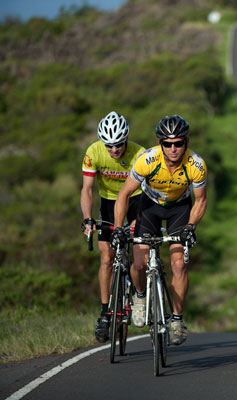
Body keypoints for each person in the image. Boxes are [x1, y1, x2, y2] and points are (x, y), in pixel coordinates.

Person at [111, 115, 208, 346]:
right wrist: (117, 228)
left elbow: (201, 201)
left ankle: (176, 320)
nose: (173, 149)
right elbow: (124, 195)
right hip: (149, 208)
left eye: (179, 143)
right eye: (167, 143)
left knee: (179, 264)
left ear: (186, 142)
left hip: (179, 209)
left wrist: (191, 228)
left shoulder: (196, 165)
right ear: (159, 143)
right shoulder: (148, 160)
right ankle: (140, 296)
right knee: (139, 264)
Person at [80, 111, 145, 343]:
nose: (114, 150)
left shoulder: (139, 153)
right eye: (109, 145)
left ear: (126, 140)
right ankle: (105, 313)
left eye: (118, 145)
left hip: (136, 200)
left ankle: (139, 295)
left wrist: (139, 221)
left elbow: (150, 190)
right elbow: (87, 189)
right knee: (106, 257)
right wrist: (87, 218)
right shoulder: (93, 152)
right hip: (108, 203)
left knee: (140, 258)